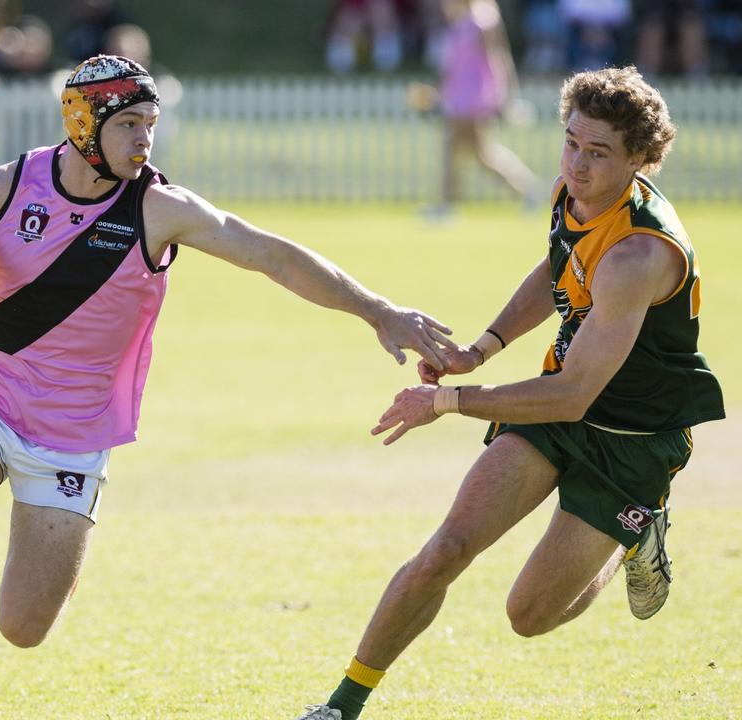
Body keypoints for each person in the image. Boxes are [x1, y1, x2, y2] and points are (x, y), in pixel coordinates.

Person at [0, 55, 457, 720]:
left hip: (74, 443)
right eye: (132, 123)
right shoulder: (9, 185)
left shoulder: (160, 209)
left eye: (152, 124)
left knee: (23, 627)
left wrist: (379, 310)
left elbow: (270, 254)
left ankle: (59, 534)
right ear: (85, 125)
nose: (146, 138)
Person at [293, 66, 725, 720]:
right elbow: (554, 266)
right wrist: (481, 349)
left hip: (632, 438)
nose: (577, 164)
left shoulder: (638, 256)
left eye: (598, 153)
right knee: (445, 549)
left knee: (529, 615)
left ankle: (635, 534)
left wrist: (445, 402)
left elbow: (575, 395)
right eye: (571, 143)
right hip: (557, 410)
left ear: (640, 159)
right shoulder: (571, 194)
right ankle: (340, 707)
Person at [428, 0, 537, 218]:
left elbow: (497, 58)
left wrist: (503, 96)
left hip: (475, 97)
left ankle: (446, 206)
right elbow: (453, 65)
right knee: (482, 155)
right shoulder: (459, 21)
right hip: (459, 97)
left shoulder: (482, 19)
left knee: (454, 149)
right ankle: (528, 189)